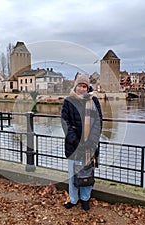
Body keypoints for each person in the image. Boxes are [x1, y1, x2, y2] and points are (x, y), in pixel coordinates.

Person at [61, 73, 103, 211]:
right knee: (73, 174)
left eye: (85, 86)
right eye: (80, 85)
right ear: (75, 86)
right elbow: (65, 122)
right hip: (73, 145)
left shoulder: (93, 101)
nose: (82, 89)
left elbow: (98, 122)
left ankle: (85, 198)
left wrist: (91, 142)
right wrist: (74, 139)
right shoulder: (68, 101)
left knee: (87, 172)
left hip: (90, 145)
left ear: (88, 87)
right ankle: (73, 199)